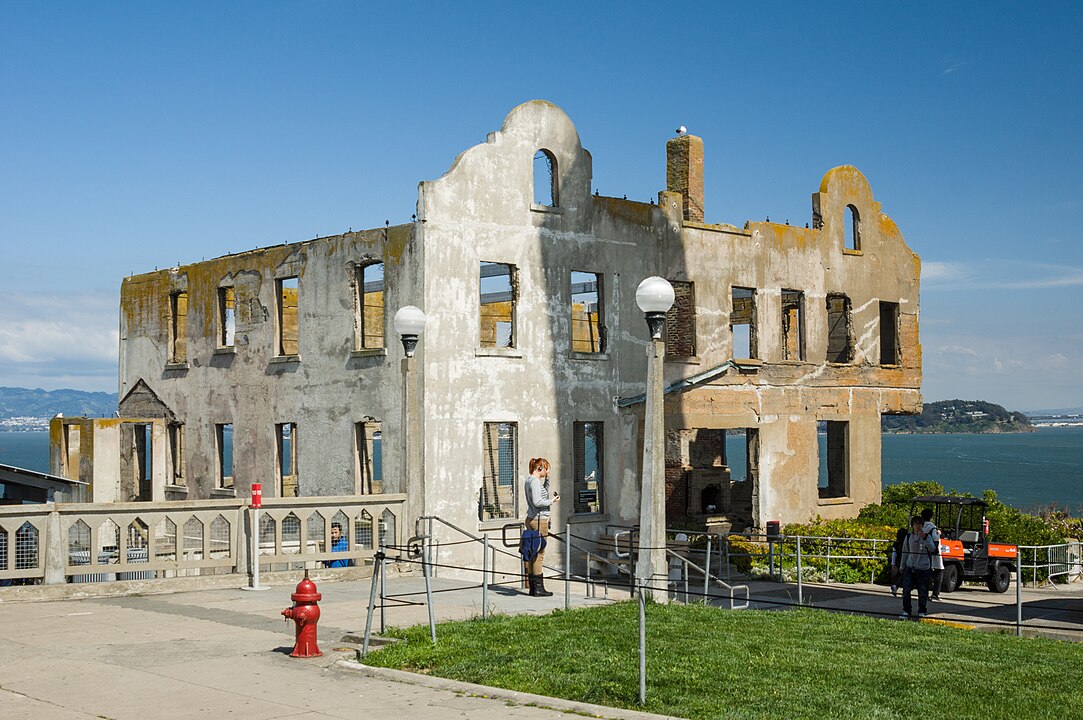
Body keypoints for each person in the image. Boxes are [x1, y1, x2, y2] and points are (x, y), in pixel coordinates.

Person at [523, 456, 558, 597]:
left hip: (532, 518)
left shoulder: (530, 480)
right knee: (539, 554)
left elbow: (543, 492)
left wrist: (548, 479)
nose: (547, 471)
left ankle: (533, 587)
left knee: (533, 552)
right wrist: (552, 501)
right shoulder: (535, 482)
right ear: (540, 468)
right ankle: (538, 588)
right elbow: (538, 502)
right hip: (539, 521)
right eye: (546, 468)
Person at [900, 514, 937, 619]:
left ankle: (922, 610)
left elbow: (932, 549)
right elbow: (905, 552)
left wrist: (925, 538)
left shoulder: (927, 536)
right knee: (906, 590)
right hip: (910, 566)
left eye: (920, 523)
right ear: (912, 525)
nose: (918, 525)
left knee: (923, 591)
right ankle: (906, 610)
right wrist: (902, 566)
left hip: (923, 568)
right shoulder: (908, 537)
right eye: (916, 523)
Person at [920, 508, 944, 599]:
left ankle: (924, 593)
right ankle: (935, 593)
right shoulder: (932, 527)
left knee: (927, 574)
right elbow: (935, 538)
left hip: (923, 552)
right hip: (934, 553)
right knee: (939, 572)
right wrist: (939, 533)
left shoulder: (921, 527)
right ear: (931, 516)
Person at [889, 526, 908, 596]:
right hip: (905, 561)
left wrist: (893, 564)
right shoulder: (907, 543)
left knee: (899, 575)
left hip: (897, 561)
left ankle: (895, 586)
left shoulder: (896, 544)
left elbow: (894, 553)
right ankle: (900, 588)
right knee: (905, 576)